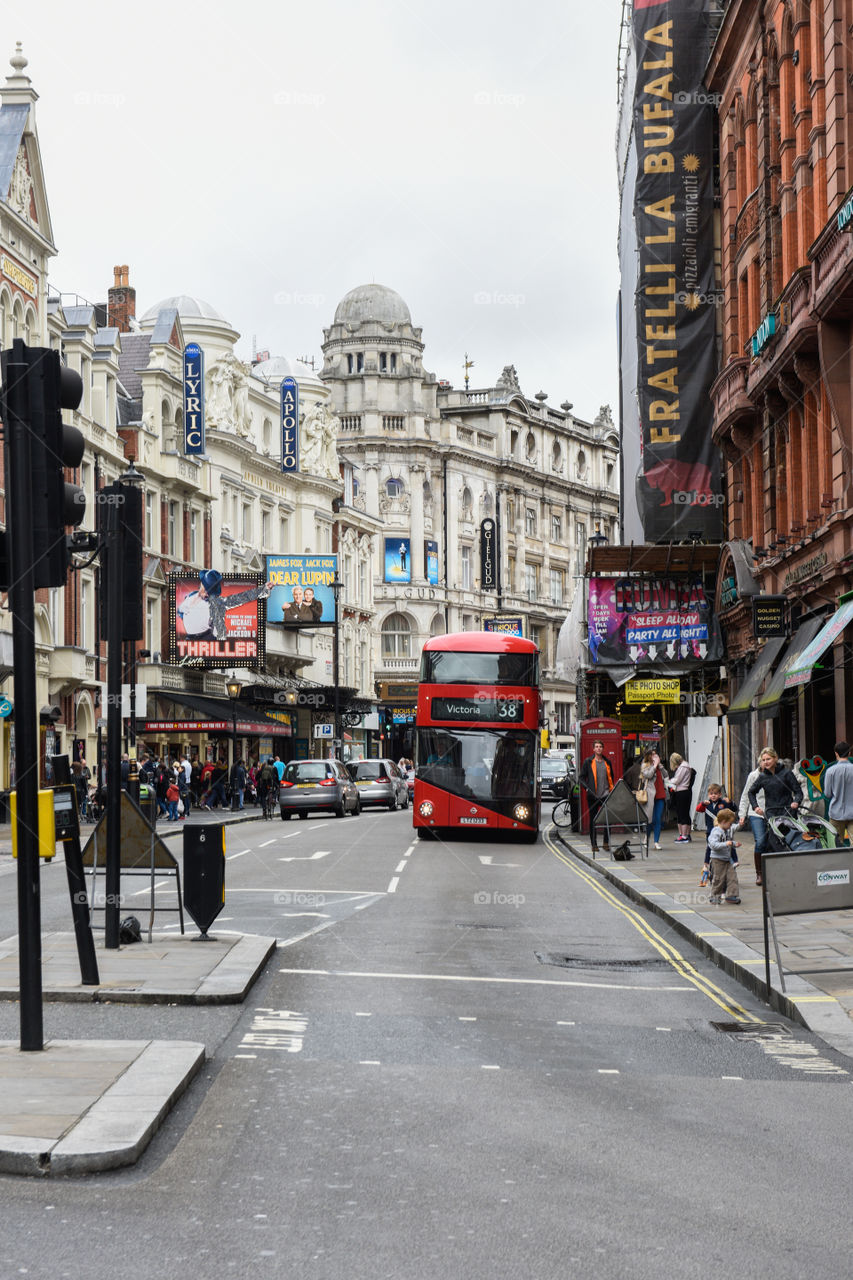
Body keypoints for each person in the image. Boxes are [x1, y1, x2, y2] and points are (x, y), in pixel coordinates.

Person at [742, 748, 801, 884]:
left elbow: (798, 792)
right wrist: (755, 807)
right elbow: (751, 792)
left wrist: (796, 802)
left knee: (789, 842)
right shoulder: (762, 777)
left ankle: (789, 872)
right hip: (771, 815)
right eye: (763, 760)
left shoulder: (787, 774)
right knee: (771, 843)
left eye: (768, 759)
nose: (766, 762)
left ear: (775, 759)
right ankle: (762, 874)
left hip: (787, 813)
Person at [579, 740, 614, 853]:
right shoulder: (588, 762)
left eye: (600, 747)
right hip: (593, 796)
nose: (598, 748)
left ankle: (606, 843)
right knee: (593, 820)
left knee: (607, 820)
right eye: (596, 747)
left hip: (606, 795)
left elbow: (611, 778)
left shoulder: (607, 762)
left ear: (602, 749)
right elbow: (581, 778)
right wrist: (587, 788)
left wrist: (611, 790)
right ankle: (594, 844)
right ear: (593, 749)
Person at [697, 783, 736, 884]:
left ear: (720, 794)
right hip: (710, 831)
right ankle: (706, 866)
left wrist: (730, 802)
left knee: (728, 847)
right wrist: (702, 804)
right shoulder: (707, 804)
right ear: (708, 794)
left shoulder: (723, 803)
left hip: (723, 832)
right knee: (710, 849)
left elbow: (734, 809)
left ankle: (733, 863)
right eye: (711, 793)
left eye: (715, 793)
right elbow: (698, 809)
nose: (713, 795)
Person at [707, 808, 742, 905]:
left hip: (727, 859)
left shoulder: (726, 831)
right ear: (723, 822)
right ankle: (714, 896)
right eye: (730, 824)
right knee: (719, 878)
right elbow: (713, 845)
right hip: (717, 859)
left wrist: (734, 844)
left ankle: (731, 895)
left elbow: (728, 841)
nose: (731, 826)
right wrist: (727, 844)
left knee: (732, 877)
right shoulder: (716, 831)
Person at [823, 742, 853, 846]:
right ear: (849, 753)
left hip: (836, 812)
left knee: (836, 845)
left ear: (836, 754)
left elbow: (827, 794)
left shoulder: (830, 771)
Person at [638, 749, 667, 850]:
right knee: (649, 819)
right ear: (648, 755)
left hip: (660, 795)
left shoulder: (659, 765)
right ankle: (646, 837)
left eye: (656, 754)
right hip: (650, 796)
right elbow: (648, 775)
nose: (655, 756)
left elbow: (666, 775)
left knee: (658, 819)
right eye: (653, 754)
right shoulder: (644, 765)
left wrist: (660, 765)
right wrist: (654, 766)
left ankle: (656, 842)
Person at [668, 752, 694, 842]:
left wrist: (669, 781)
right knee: (685, 813)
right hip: (685, 792)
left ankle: (683, 836)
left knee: (682, 814)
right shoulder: (686, 766)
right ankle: (686, 834)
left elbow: (677, 780)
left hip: (682, 792)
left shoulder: (683, 767)